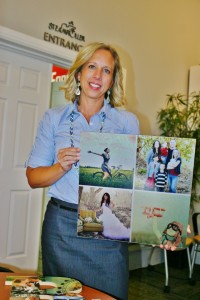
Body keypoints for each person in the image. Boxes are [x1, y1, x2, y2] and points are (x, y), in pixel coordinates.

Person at [26, 41, 140, 300]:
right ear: (79, 73)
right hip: (61, 229)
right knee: (61, 298)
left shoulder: (126, 123)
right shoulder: (54, 118)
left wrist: (161, 228)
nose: (98, 76)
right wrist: (59, 167)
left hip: (106, 227)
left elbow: (138, 186)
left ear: (112, 81)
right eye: (92, 67)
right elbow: (33, 178)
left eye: (106, 71)